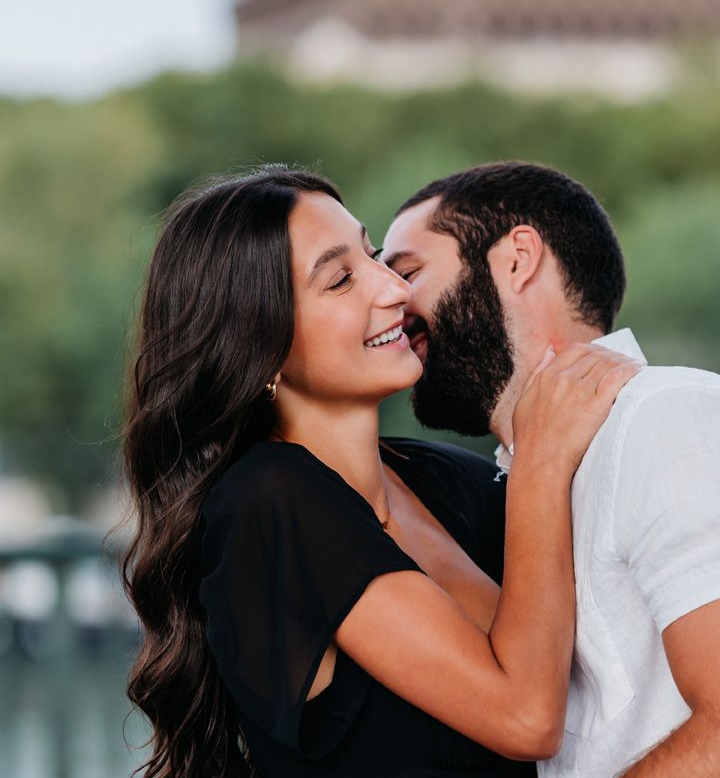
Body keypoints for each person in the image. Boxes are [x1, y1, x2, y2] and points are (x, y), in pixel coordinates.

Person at [121, 166, 638, 778]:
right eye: (341, 279)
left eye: (373, 257)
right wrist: (542, 463)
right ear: (260, 344)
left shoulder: (445, 478)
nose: (394, 288)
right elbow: (526, 718)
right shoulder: (267, 501)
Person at [382, 160, 720, 778]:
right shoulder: (522, 482)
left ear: (517, 259)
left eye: (408, 272)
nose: (391, 300)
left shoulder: (661, 415)